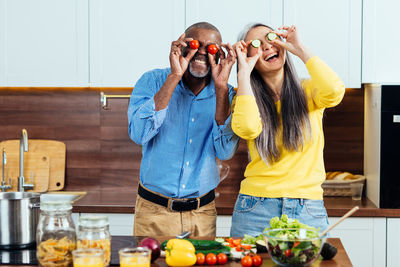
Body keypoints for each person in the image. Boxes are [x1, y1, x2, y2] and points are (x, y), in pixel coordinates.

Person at [230, 23, 345, 237]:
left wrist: (299, 48)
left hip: (308, 208)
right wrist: (243, 73)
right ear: (247, 55)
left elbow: (334, 91)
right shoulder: (245, 98)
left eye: (270, 38)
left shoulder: (309, 90)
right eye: (257, 44)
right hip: (255, 208)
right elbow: (247, 128)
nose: (267, 47)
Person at [127, 22, 239, 237]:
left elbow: (225, 151)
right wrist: (174, 76)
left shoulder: (227, 93)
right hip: (154, 212)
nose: (203, 53)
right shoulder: (152, 81)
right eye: (196, 44)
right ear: (182, 46)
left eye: (212, 48)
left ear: (220, 55)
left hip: (202, 215)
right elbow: (139, 134)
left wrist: (221, 88)